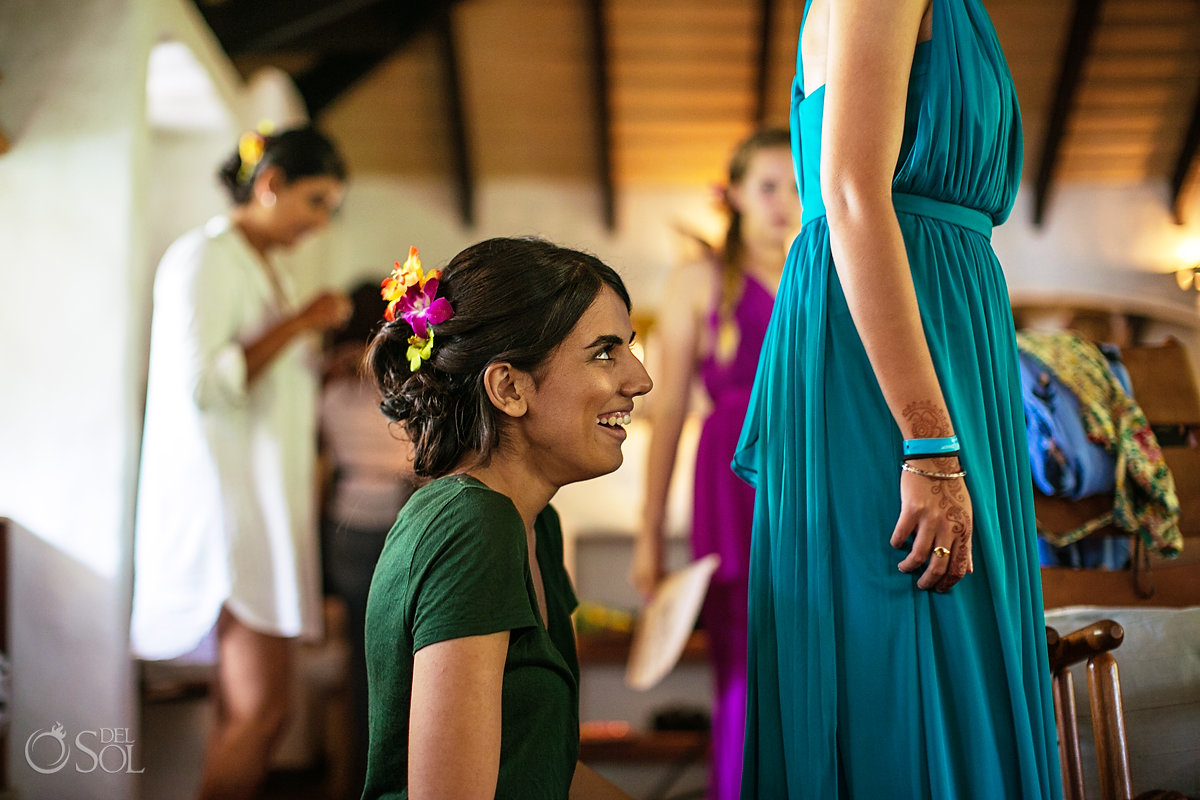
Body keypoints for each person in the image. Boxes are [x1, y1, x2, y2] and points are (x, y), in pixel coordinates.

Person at [731, 1, 1062, 798]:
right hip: (885, 361)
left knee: (960, 644)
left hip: (950, 328)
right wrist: (927, 440)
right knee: (910, 651)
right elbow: (847, 193)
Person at [361, 238, 651, 799]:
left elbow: (545, 768)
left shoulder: (535, 525)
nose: (640, 380)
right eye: (603, 352)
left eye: (629, 349)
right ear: (510, 387)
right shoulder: (471, 526)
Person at [130, 125, 352, 800]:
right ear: (269, 185)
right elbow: (204, 384)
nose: (320, 223)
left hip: (262, 506)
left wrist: (330, 360)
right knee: (263, 713)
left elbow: (272, 380)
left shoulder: (265, 267)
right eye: (315, 202)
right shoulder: (203, 258)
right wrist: (301, 321)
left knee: (245, 712)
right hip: (225, 509)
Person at [629, 127, 800, 800]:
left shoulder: (818, 272)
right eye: (767, 185)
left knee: (812, 664)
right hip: (729, 482)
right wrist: (648, 534)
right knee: (742, 671)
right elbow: (666, 412)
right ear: (732, 194)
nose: (783, 201)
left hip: (809, 482)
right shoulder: (697, 279)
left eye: (795, 185)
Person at [318, 280, 419, 795]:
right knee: (406, 660)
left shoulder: (331, 390)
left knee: (362, 664)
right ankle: (397, 778)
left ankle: (358, 778)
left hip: (345, 528)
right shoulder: (404, 388)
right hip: (398, 519)